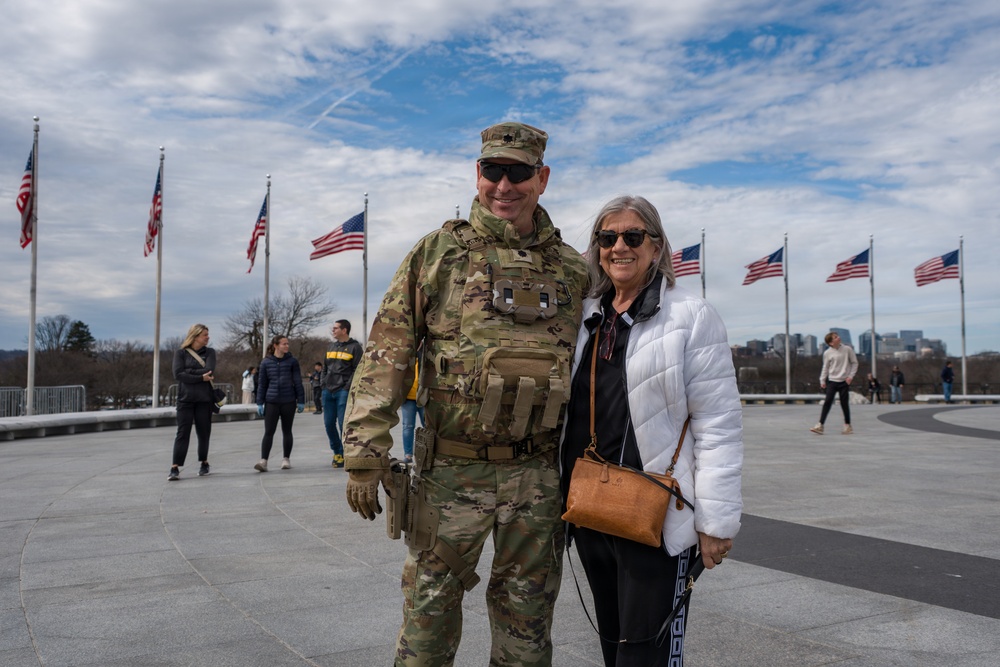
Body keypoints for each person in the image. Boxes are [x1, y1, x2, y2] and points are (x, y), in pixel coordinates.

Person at [341, 121, 588, 665]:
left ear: (541, 178)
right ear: (477, 175)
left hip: (537, 475)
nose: (505, 186)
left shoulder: (573, 269)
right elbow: (387, 353)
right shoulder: (438, 254)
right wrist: (364, 453)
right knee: (428, 617)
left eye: (519, 173)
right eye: (492, 171)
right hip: (451, 475)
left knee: (528, 625)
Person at [560, 195, 743, 666]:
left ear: (657, 247)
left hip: (655, 513)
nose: (619, 246)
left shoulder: (690, 315)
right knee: (614, 642)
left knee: (648, 652)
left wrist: (716, 523)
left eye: (633, 236)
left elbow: (718, 424)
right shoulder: (585, 318)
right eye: (608, 237)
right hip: (591, 506)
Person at [169, 324, 217, 480]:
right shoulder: (180, 353)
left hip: (204, 400)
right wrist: (199, 377)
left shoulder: (210, 352)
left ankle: (204, 462)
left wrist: (188, 372)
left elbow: (209, 370)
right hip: (185, 400)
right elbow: (178, 374)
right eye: (205, 335)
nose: (208, 337)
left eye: (208, 334)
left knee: (203, 432)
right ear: (195, 336)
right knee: (182, 433)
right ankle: (175, 467)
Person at [254, 336, 306, 472]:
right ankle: (263, 461)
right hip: (271, 401)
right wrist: (259, 402)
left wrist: (301, 400)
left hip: (288, 401)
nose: (287, 346)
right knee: (269, 432)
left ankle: (286, 459)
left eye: (288, 344)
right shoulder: (266, 362)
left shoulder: (292, 361)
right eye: (284, 344)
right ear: (276, 345)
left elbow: (297, 381)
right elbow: (262, 384)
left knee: (287, 431)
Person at [323, 319, 363, 468]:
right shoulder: (331, 346)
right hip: (328, 391)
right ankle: (337, 452)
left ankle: (347, 453)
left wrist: (347, 387)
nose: (333, 331)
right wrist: (323, 384)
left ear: (344, 330)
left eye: (335, 328)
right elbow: (325, 368)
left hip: (343, 391)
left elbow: (357, 370)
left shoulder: (355, 347)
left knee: (343, 424)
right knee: (328, 424)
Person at [810, 332, 858, 435]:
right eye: (836, 337)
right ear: (831, 343)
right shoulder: (827, 353)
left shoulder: (848, 349)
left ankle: (847, 426)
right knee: (827, 402)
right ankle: (820, 425)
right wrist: (822, 380)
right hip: (832, 381)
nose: (839, 337)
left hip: (844, 381)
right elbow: (825, 367)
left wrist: (850, 376)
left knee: (844, 404)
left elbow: (855, 363)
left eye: (838, 336)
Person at [400, 359, 424, 463]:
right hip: (408, 398)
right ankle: (408, 455)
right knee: (407, 426)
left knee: (428, 427)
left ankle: (429, 453)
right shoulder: (406, 356)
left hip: (423, 397)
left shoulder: (425, 355)